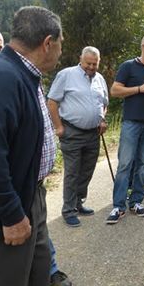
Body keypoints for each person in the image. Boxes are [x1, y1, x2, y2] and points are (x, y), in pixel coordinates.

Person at [0, 6, 62, 286]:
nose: (59, 51)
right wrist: (10, 214)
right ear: (47, 43)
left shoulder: (23, 74)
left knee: (35, 278)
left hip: (31, 196)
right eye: (60, 44)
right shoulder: (3, 77)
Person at [106, 35, 144, 224]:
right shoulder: (128, 66)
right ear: (143, 46)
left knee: (143, 163)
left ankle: (136, 202)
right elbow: (115, 91)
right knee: (125, 163)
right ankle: (118, 206)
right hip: (131, 122)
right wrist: (139, 89)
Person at [47, 46, 109, 227]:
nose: (91, 67)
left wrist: (102, 118)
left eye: (95, 64)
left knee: (87, 170)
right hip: (72, 131)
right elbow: (52, 101)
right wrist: (59, 127)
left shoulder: (100, 79)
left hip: (93, 133)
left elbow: (104, 103)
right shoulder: (66, 75)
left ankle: (78, 203)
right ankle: (68, 210)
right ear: (80, 59)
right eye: (88, 63)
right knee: (73, 172)